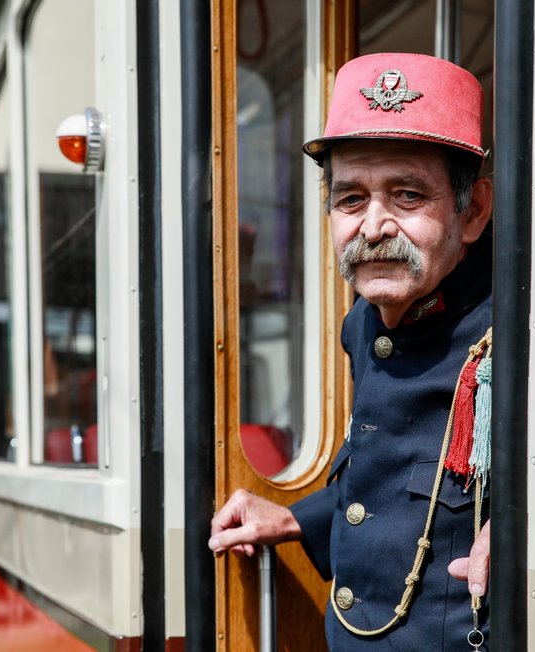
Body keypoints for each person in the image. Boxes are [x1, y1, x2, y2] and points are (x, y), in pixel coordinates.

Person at [210, 52, 495, 650]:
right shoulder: (364, 324)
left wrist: (526, 533)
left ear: (473, 211)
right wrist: (292, 518)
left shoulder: (534, 332)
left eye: (408, 195)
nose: (373, 227)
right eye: (350, 200)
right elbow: (380, 476)